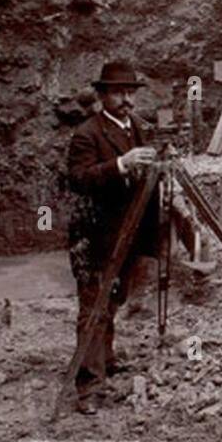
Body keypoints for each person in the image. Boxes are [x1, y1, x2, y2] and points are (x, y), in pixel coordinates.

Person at [65, 60, 159, 415]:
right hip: (94, 235)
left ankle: (104, 358)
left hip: (127, 231)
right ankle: (88, 385)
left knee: (114, 300)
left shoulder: (135, 127)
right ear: (102, 95)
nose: (126, 99)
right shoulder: (87, 133)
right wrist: (121, 164)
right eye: (119, 92)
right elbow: (77, 178)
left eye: (130, 92)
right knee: (94, 305)